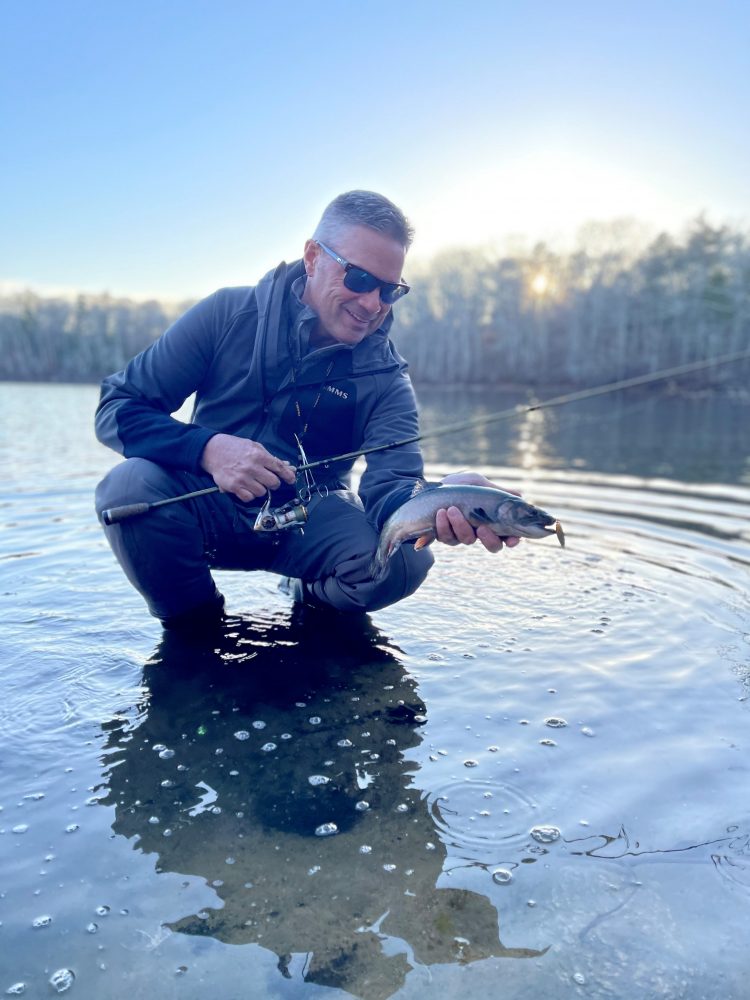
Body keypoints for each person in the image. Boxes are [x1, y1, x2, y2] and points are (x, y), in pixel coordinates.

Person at [94, 190, 519, 629]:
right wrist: (208, 450)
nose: (372, 303)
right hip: (206, 507)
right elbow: (117, 407)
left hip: (308, 522)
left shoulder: (387, 379)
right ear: (314, 257)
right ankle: (196, 628)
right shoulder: (226, 315)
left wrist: (446, 498)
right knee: (128, 489)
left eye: (390, 290)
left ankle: (312, 598)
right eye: (357, 279)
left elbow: (391, 488)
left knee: (406, 563)